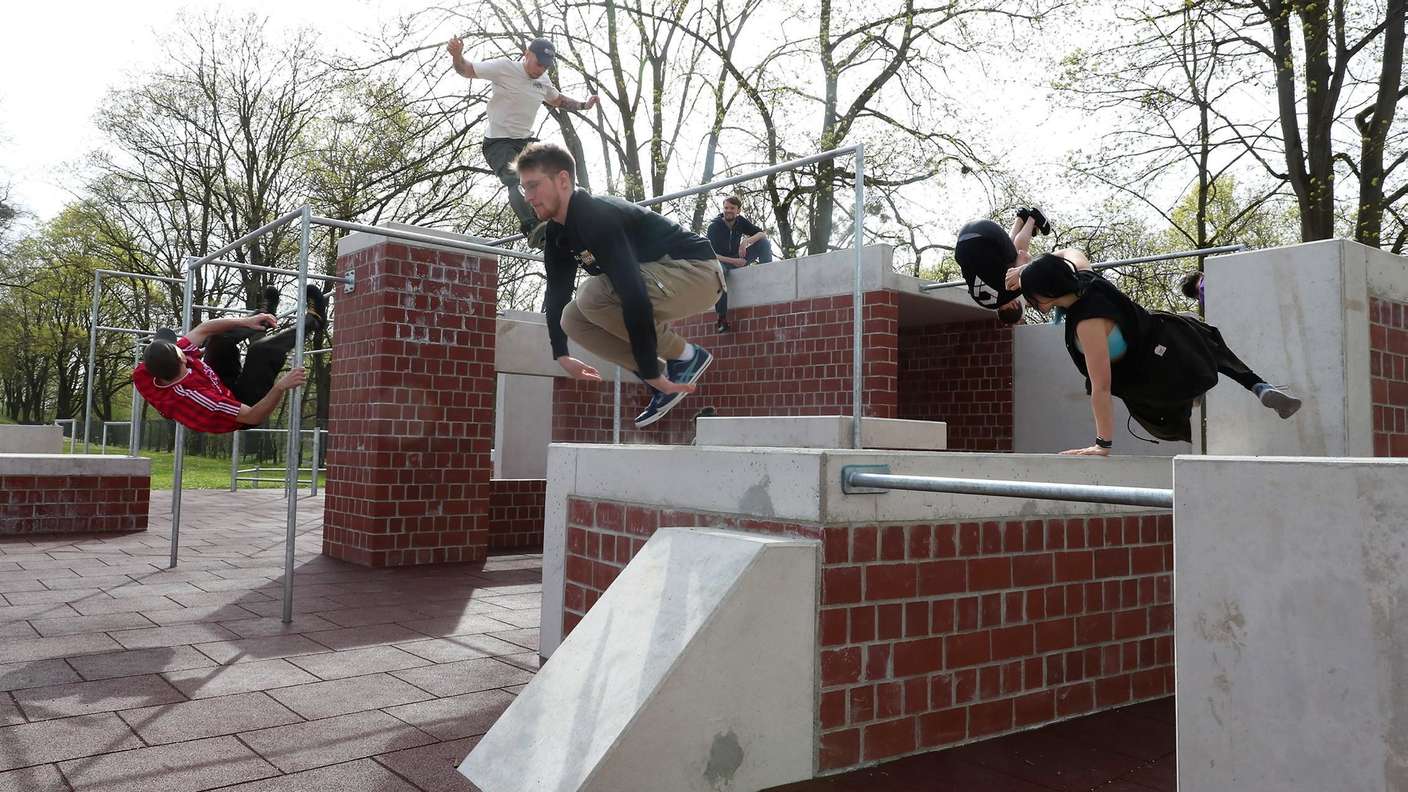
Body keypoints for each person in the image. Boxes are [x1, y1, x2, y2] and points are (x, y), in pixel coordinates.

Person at [515, 142, 723, 428]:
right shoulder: (557, 234)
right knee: (572, 318)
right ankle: (661, 381)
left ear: (562, 180)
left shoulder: (597, 216)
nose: (528, 197)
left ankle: (686, 356)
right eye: (524, 188)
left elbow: (632, 291)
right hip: (660, 282)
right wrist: (561, 355)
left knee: (591, 293)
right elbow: (557, 293)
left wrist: (660, 360)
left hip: (696, 272)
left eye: (534, 186)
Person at [1018, 253, 1301, 454]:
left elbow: (1101, 387)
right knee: (1211, 344)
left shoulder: (1088, 324)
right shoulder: (1088, 278)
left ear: (1046, 293)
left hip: (1151, 378)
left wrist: (1102, 444)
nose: (1031, 304)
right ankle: (1258, 386)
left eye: (1032, 298)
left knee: (1164, 425)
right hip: (1171, 335)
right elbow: (1072, 252)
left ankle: (1206, 439)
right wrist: (1026, 270)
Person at [446, 36, 599, 246]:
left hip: (525, 142)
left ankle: (559, 221)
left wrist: (584, 105)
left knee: (550, 173)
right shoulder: (504, 68)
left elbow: (558, 100)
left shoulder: (543, 81)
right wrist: (457, 55)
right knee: (515, 180)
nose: (540, 70)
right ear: (527, 54)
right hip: (498, 143)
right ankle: (533, 227)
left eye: (546, 67)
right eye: (538, 64)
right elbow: (467, 69)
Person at [132, 286, 327, 434]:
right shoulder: (201, 400)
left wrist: (246, 321)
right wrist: (280, 387)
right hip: (243, 409)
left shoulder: (145, 372)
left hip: (217, 382)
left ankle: (264, 317)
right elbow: (253, 416)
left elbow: (204, 329)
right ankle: (315, 321)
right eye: (179, 348)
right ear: (182, 360)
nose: (181, 345)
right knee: (261, 351)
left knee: (218, 339)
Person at [954, 207, 1062, 324]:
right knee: (1007, 261)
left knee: (1016, 260)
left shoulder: (1011, 292)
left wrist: (1029, 263)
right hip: (962, 242)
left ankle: (1033, 217)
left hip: (984, 233)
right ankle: (1021, 218)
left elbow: (1022, 256)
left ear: (1015, 305)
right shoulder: (982, 302)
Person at [707, 195, 773, 332]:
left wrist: (746, 242)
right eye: (726, 208)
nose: (728, 210)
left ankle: (768, 275)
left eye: (732, 208)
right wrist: (735, 261)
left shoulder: (740, 222)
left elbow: (762, 234)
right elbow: (712, 255)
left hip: (739, 258)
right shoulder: (714, 227)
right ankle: (721, 318)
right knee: (720, 273)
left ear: (738, 211)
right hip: (722, 262)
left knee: (763, 243)